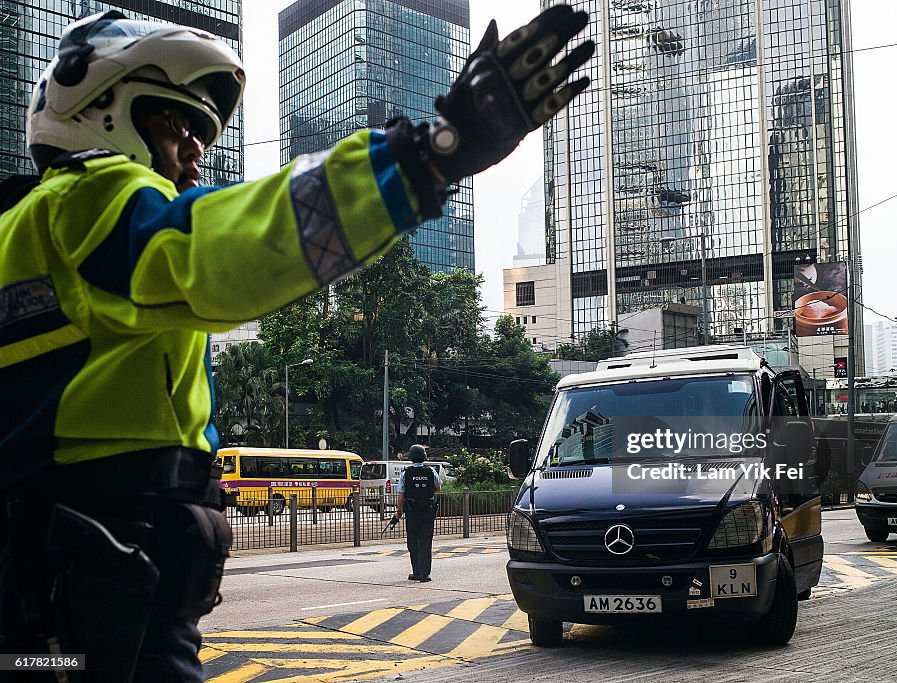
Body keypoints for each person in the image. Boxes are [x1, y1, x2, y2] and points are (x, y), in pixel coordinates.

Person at [0, 7, 593, 681]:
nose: (197, 149)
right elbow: (232, 247)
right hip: (108, 594)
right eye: (177, 123)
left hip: (60, 597)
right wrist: (429, 157)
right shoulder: (91, 201)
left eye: (204, 133)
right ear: (102, 112)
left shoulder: (22, 236)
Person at [391, 445, 442, 582]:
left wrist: (398, 513)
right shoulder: (431, 471)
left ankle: (417, 572)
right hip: (428, 511)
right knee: (426, 542)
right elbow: (438, 487)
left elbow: (401, 496)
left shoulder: (405, 473)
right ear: (424, 457)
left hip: (412, 512)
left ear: (411, 458)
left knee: (413, 542)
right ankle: (425, 575)